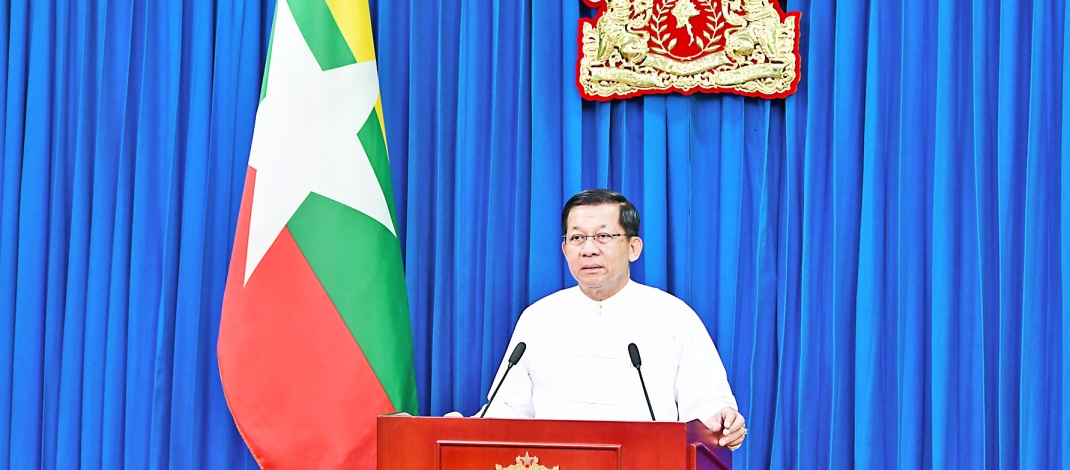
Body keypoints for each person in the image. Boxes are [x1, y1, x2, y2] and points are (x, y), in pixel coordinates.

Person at [479, 189, 747, 449]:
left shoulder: (673, 316)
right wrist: (467, 427)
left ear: (633, 247)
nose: (588, 249)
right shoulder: (538, 318)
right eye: (577, 238)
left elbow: (707, 407)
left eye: (603, 236)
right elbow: (507, 411)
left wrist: (722, 420)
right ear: (564, 249)